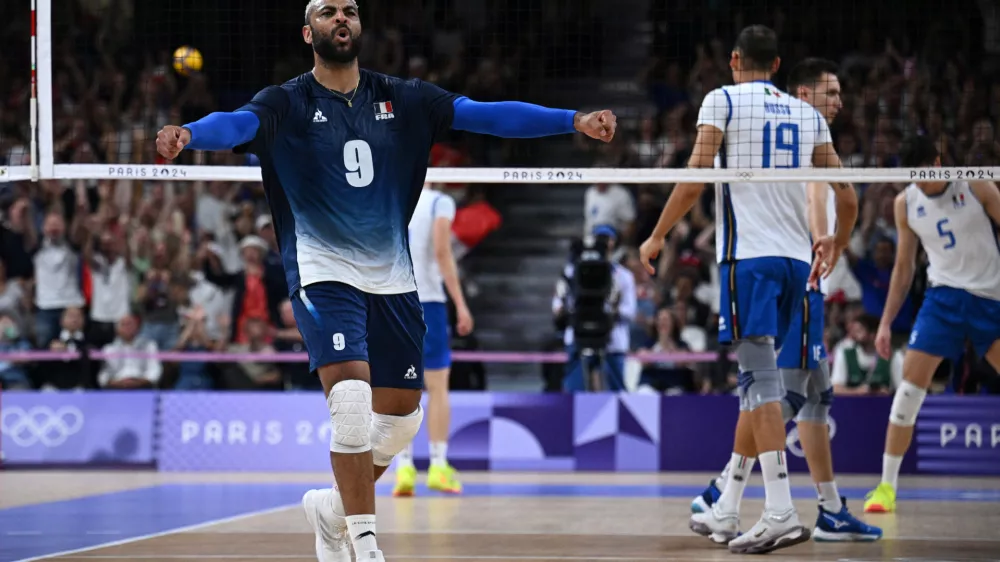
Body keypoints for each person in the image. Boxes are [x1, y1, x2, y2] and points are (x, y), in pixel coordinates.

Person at [155, 1, 617, 560]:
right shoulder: (288, 100)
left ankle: (332, 508)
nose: (341, 17)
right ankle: (364, 542)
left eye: (349, 10)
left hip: (393, 278)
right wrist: (190, 133)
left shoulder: (407, 97)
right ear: (309, 32)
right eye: (328, 12)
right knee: (349, 401)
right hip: (323, 271)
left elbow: (488, 114)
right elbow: (238, 125)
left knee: (400, 420)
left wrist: (571, 120)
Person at [638, 26, 856, 554]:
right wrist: (836, 244)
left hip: (750, 262)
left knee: (760, 385)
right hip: (797, 265)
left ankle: (780, 510)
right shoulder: (807, 114)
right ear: (778, 64)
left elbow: (695, 179)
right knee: (766, 387)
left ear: (734, 60)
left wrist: (658, 234)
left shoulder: (722, 100)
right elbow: (847, 195)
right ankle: (727, 506)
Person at [689, 58, 880, 542]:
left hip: (794, 276)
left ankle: (830, 508)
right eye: (829, 92)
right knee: (778, 393)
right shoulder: (802, 138)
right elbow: (816, 198)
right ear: (801, 92)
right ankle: (724, 495)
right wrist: (825, 241)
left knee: (815, 395)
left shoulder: (800, 134)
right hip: (800, 280)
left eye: (840, 93)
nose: (837, 101)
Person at [863, 135, 1000, 513]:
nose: (918, 184)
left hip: (990, 298)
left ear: (938, 163)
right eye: (911, 176)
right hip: (942, 300)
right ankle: (886, 490)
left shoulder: (977, 185)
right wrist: (885, 323)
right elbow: (904, 267)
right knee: (907, 392)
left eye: (922, 175)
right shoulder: (905, 203)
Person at [393, 183, 474, 496]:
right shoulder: (439, 201)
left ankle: (404, 468)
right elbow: (442, 252)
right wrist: (461, 303)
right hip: (428, 302)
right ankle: (439, 465)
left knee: (398, 386)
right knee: (438, 386)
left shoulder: (394, 194)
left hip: (394, 298)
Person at [554, 224, 637, 391]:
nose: (604, 243)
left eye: (607, 239)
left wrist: (613, 310)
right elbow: (558, 306)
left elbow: (630, 312)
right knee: (574, 393)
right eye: (600, 238)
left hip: (612, 339)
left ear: (614, 243)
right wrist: (566, 310)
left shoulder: (623, 276)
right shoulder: (571, 272)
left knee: (616, 393)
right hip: (578, 335)